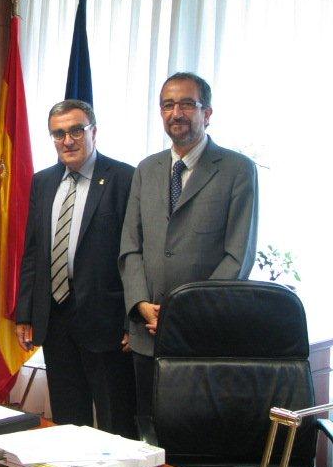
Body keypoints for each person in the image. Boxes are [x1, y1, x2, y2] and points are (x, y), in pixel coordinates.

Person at [119, 72, 259, 417]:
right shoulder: (146, 169)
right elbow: (130, 247)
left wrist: (184, 311)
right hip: (148, 333)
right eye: (168, 105)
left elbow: (238, 255)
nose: (176, 113)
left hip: (203, 334)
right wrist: (140, 304)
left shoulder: (237, 169)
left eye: (186, 104)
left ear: (207, 113)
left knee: (196, 433)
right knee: (147, 431)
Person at [15, 100, 137, 437]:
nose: (67, 140)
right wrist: (25, 313)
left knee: (116, 423)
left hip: (106, 322)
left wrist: (132, 319)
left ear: (93, 131)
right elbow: (34, 252)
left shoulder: (124, 178)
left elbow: (135, 255)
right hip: (55, 320)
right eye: (58, 133)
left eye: (76, 131)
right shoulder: (43, 181)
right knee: (68, 423)